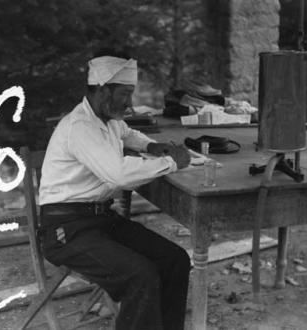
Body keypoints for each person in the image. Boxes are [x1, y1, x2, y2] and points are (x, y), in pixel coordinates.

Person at [38, 50, 192, 330]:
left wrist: (151, 146)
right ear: (102, 90)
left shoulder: (107, 119)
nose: (129, 103)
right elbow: (118, 174)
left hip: (100, 220)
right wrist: (171, 162)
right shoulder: (80, 126)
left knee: (175, 260)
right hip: (66, 230)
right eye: (125, 94)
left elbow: (128, 133)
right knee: (140, 276)